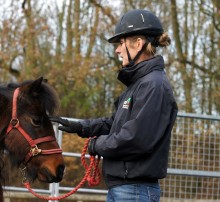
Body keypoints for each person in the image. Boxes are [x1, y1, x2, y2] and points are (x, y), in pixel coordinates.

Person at [51, 9, 178, 202]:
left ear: (138, 43)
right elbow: (114, 124)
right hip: (125, 188)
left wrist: (97, 145)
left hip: (134, 190)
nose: (118, 50)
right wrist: (81, 127)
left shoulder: (154, 86)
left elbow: (135, 138)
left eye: (121, 43)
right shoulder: (139, 84)